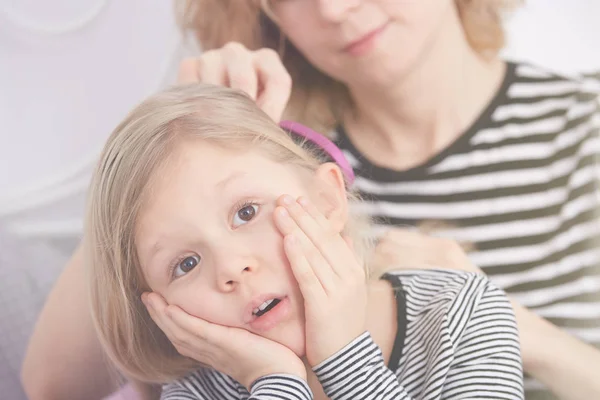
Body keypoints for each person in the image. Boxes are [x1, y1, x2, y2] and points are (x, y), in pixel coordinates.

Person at [22, 1, 600, 399]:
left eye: (246, 214)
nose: (334, 9)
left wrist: (511, 325)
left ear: (332, 199)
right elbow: (54, 384)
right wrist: (159, 155)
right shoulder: (262, 155)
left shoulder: (587, 125)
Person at [85, 83, 524, 400]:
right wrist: (275, 381)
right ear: (162, 311)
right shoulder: (196, 393)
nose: (231, 268)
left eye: (246, 212)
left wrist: (343, 357)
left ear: (328, 200)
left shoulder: (460, 312)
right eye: (186, 263)